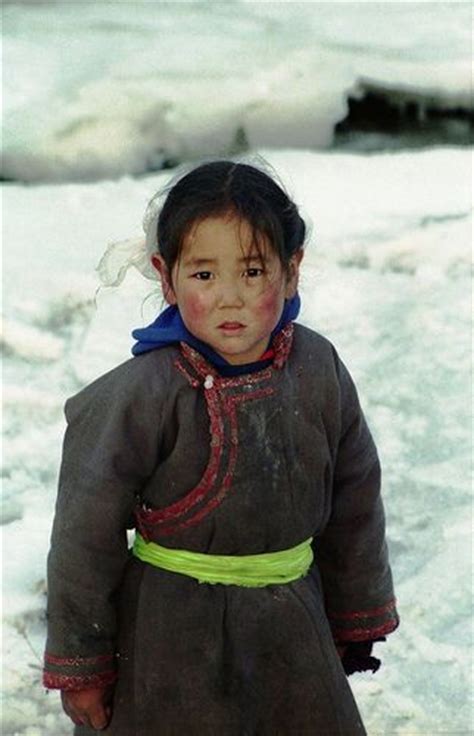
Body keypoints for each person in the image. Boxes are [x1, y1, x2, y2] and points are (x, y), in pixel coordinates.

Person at [43, 160, 400, 735]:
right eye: (204, 275)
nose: (229, 297)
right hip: (168, 639)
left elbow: (356, 496)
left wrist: (357, 612)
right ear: (167, 275)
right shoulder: (141, 394)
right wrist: (81, 664)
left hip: (293, 635)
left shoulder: (319, 371)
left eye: (253, 270)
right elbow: (84, 536)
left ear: (291, 271)